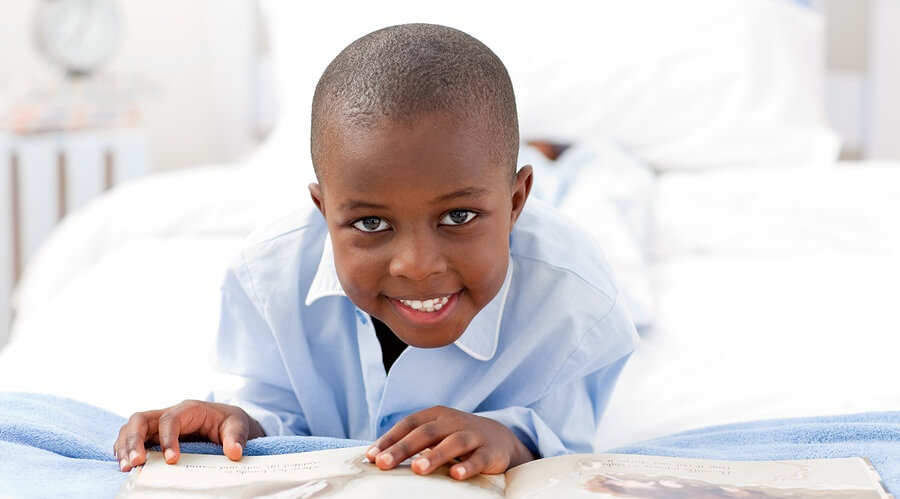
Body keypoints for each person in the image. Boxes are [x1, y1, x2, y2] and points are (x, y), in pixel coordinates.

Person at [113, 23, 639, 481]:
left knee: (612, 205)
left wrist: (512, 439)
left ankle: (568, 159)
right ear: (323, 212)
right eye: (370, 222)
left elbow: (569, 441)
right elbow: (270, 407)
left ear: (517, 201)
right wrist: (238, 423)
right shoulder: (266, 277)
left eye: (458, 216)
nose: (415, 264)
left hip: (567, 237)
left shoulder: (577, 296)